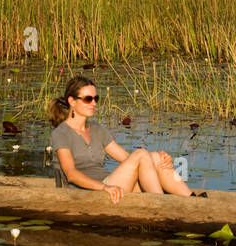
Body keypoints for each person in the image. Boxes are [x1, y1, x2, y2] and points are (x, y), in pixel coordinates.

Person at [48, 76, 196, 202]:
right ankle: (160, 204)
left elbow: (127, 159)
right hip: (87, 193)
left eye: (96, 98)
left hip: (112, 188)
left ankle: (192, 199)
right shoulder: (61, 134)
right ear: (72, 101)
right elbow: (71, 175)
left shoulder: (97, 129)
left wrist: (161, 160)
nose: (93, 103)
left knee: (156, 157)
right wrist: (104, 187)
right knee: (141, 154)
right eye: (88, 99)